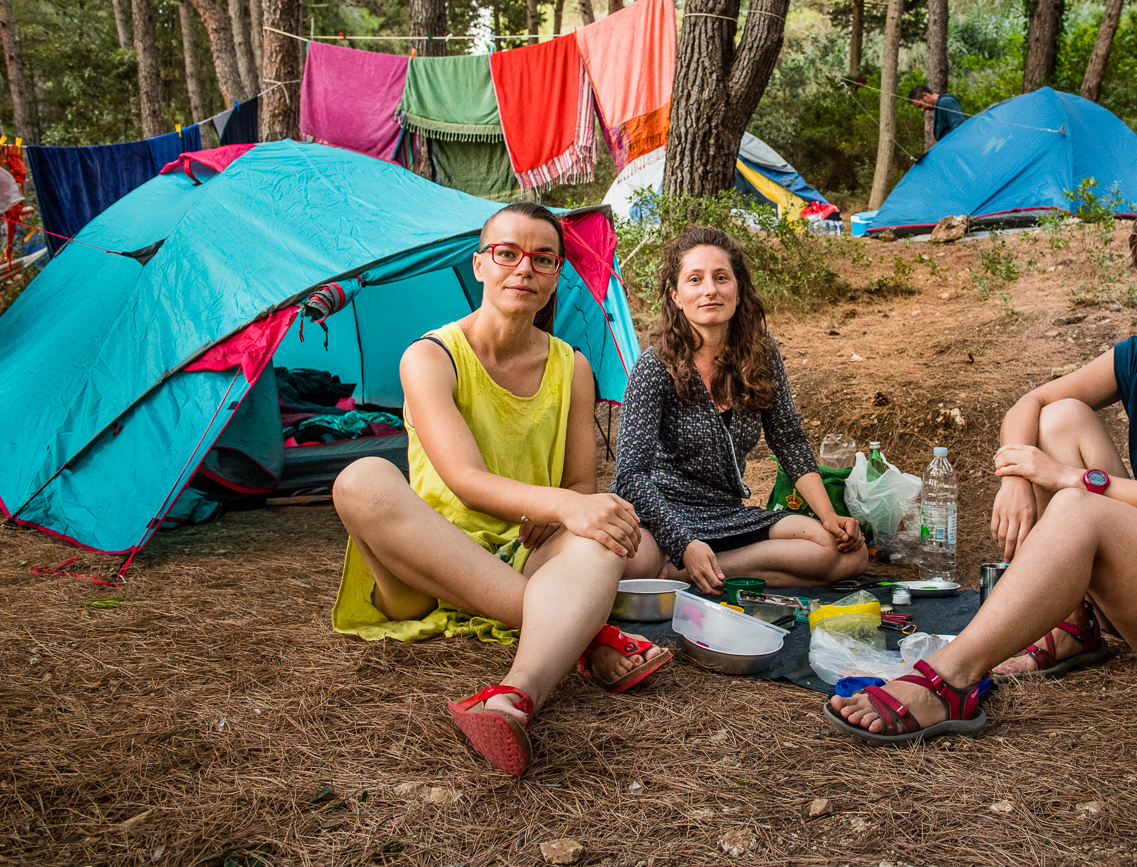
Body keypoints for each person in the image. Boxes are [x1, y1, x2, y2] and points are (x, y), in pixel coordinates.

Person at [825, 193, 1137, 745]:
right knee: (1062, 416)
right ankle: (1075, 626)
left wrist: (1073, 481)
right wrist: (1017, 475)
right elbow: (1032, 402)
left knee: (1080, 505)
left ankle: (950, 679)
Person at [331, 202, 671, 777]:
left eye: (543, 259)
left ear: (557, 274)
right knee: (360, 479)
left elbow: (579, 485)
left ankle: (515, 694)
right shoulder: (430, 356)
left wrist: (566, 510)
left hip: (523, 550)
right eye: (507, 253)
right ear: (480, 264)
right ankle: (583, 631)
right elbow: (465, 481)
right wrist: (562, 504)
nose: (524, 269)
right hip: (428, 558)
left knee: (613, 534)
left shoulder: (572, 367)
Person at [615, 227, 869, 593]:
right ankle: (687, 564)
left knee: (849, 554)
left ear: (738, 289)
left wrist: (829, 515)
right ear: (677, 296)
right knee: (631, 564)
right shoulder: (655, 367)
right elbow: (631, 476)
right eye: (695, 279)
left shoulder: (760, 353)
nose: (710, 290)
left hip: (726, 514)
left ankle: (682, 577)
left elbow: (789, 441)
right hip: (660, 514)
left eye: (721, 278)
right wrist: (684, 544)